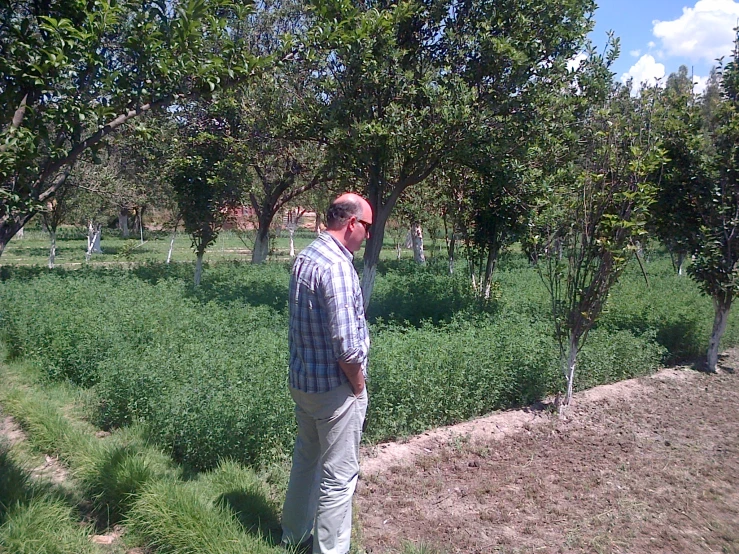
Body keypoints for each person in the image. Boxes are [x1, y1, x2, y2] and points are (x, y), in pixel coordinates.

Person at [281, 193, 373, 554]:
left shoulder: (306, 256)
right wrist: (359, 388)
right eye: (366, 226)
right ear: (351, 223)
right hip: (335, 390)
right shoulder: (337, 267)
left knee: (306, 459)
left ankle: (294, 536)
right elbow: (348, 349)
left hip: (304, 382)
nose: (368, 234)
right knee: (339, 478)